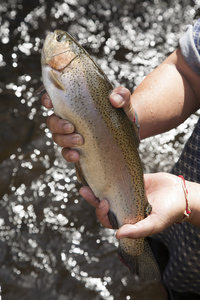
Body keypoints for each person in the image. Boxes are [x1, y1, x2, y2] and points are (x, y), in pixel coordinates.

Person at [41, 19, 200, 299]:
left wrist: (189, 201)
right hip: (175, 222)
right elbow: (188, 72)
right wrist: (125, 123)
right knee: (162, 268)